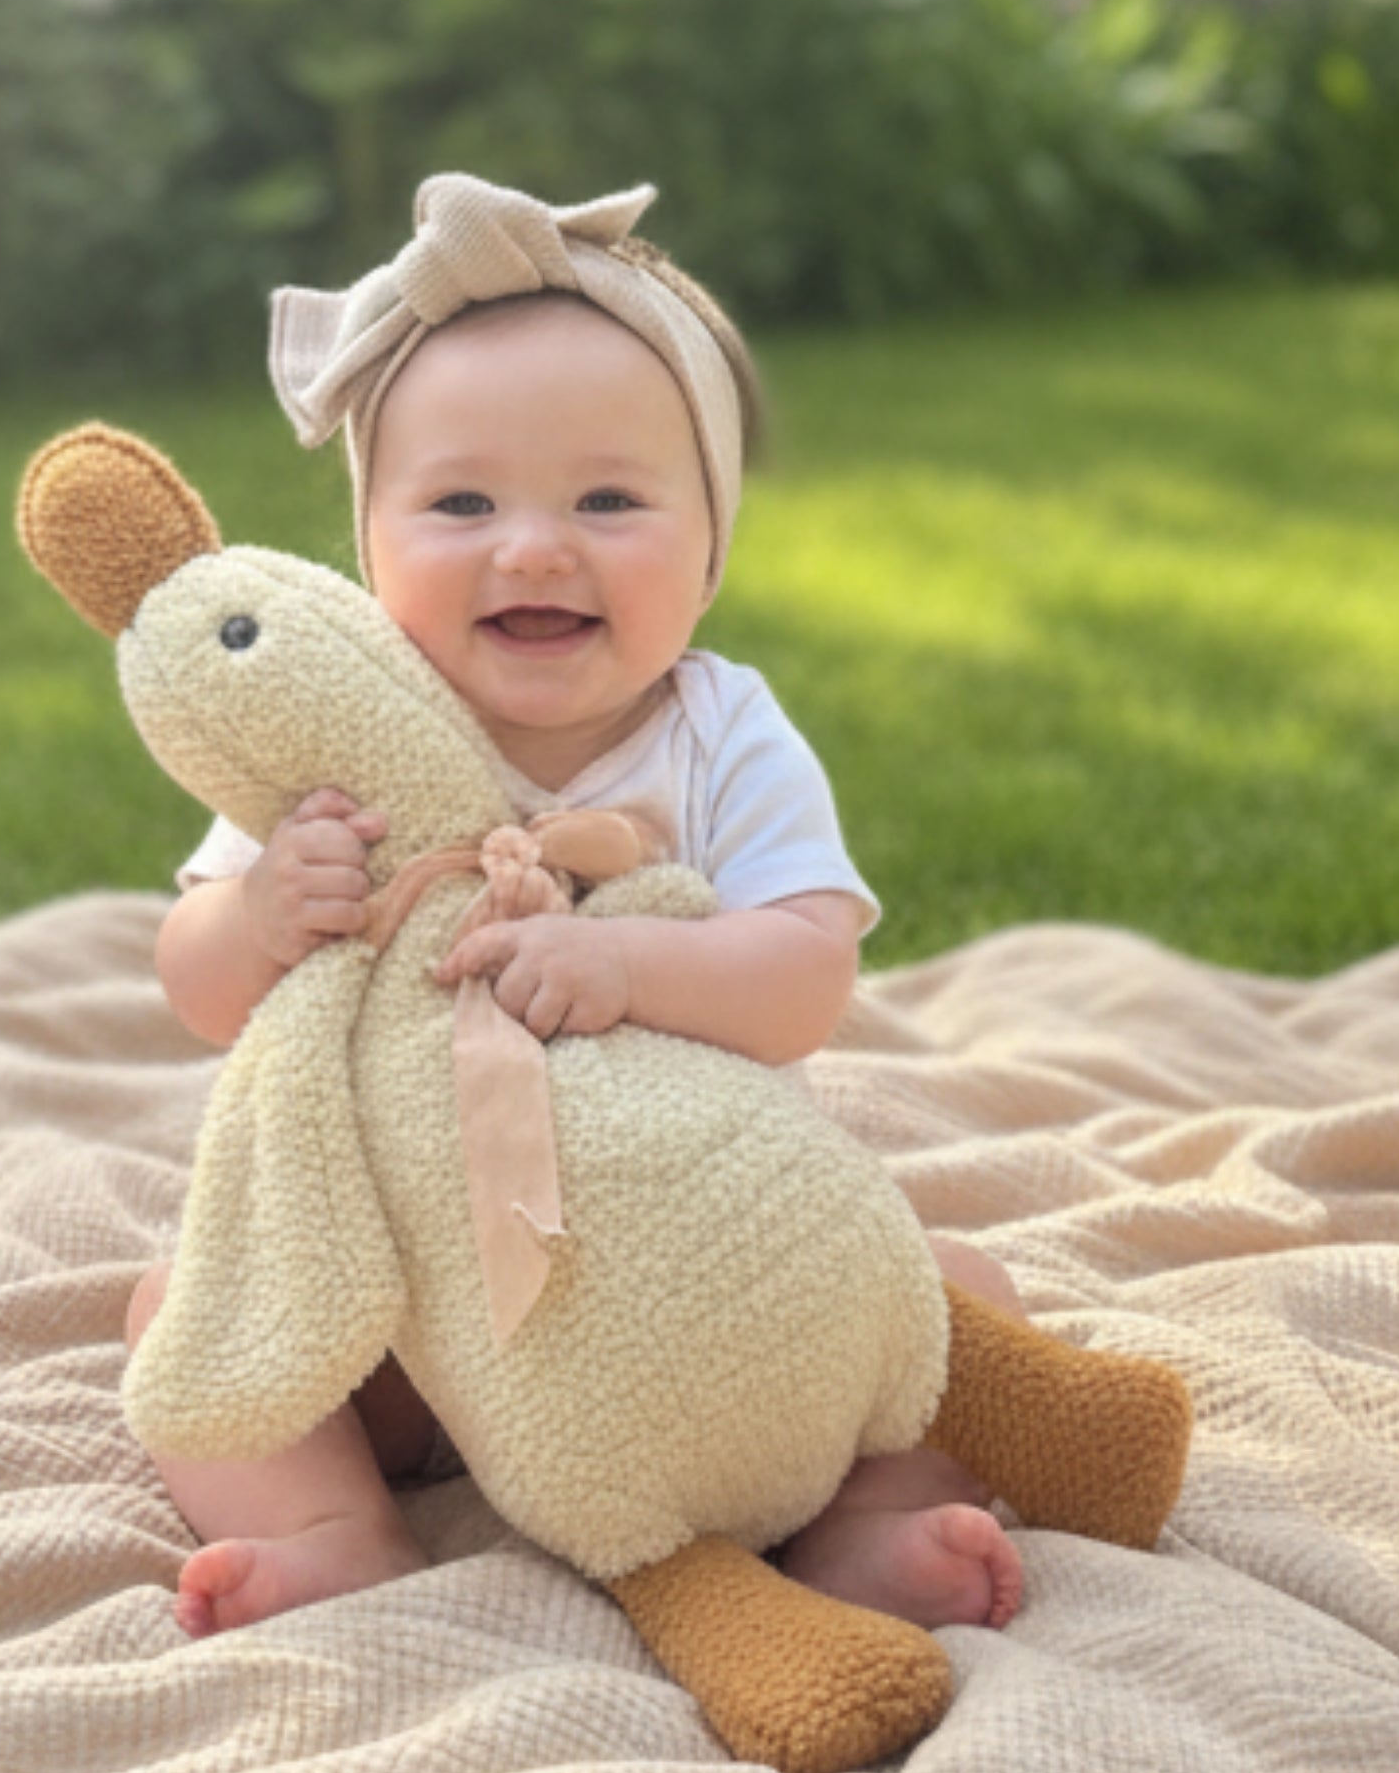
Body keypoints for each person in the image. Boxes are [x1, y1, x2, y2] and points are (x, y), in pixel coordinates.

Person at [129, 174, 1034, 1642]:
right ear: (370, 548)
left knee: (959, 1295)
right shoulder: (336, 737)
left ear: (711, 545)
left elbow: (807, 977)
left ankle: (857, 1527)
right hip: (411, 1312)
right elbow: (196, 986)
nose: (536, 547)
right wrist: (261, 918)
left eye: (609, 500)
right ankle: (332, 1527)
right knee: (185, 1306)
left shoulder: (723, 732)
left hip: (708, 1277)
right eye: (463, 502)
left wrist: (627, 965)